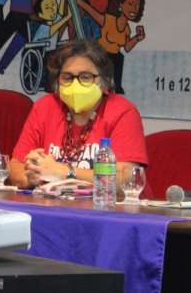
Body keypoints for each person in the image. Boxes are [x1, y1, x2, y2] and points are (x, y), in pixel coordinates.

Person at [8, 40, 147, 189]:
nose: (76, 84)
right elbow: (15, 166)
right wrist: (32, 176)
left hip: (105, 203)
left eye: (86, 77)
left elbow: (127, 178)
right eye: (67, 77)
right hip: (52, 201)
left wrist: (64, 172)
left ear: (104, 81)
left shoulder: (123, 112)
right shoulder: (45, 107)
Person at [75, 0, 146, 94]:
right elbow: (91, 11)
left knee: (119, 58)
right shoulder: (108, 20)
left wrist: (137, 38)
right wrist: (78, 1)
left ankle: (116, 88)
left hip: (114, 57)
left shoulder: (127, 29)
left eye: (137, 5)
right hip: (101, 54)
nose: (134, 8)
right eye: (130, 4)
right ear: (121, 5)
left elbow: (127, 47)